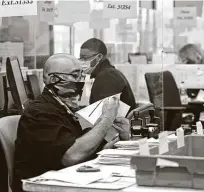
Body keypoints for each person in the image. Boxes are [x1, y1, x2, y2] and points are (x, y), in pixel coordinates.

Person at [12, 54, 130, 192]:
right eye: (75, 76)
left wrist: (119, 140)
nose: (80, 81)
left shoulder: (63, 106)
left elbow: (79, 148)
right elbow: (72, 156)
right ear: (53, 79)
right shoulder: (39, 113)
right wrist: (106, 119)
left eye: (81, 76)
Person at [79, 38, 136, 113]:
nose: (81, 61)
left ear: (99, 57)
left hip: (118, 123)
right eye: (80, 58)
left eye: (85, 58)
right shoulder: (109, 73)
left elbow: (103, 115)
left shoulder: (107, 78)